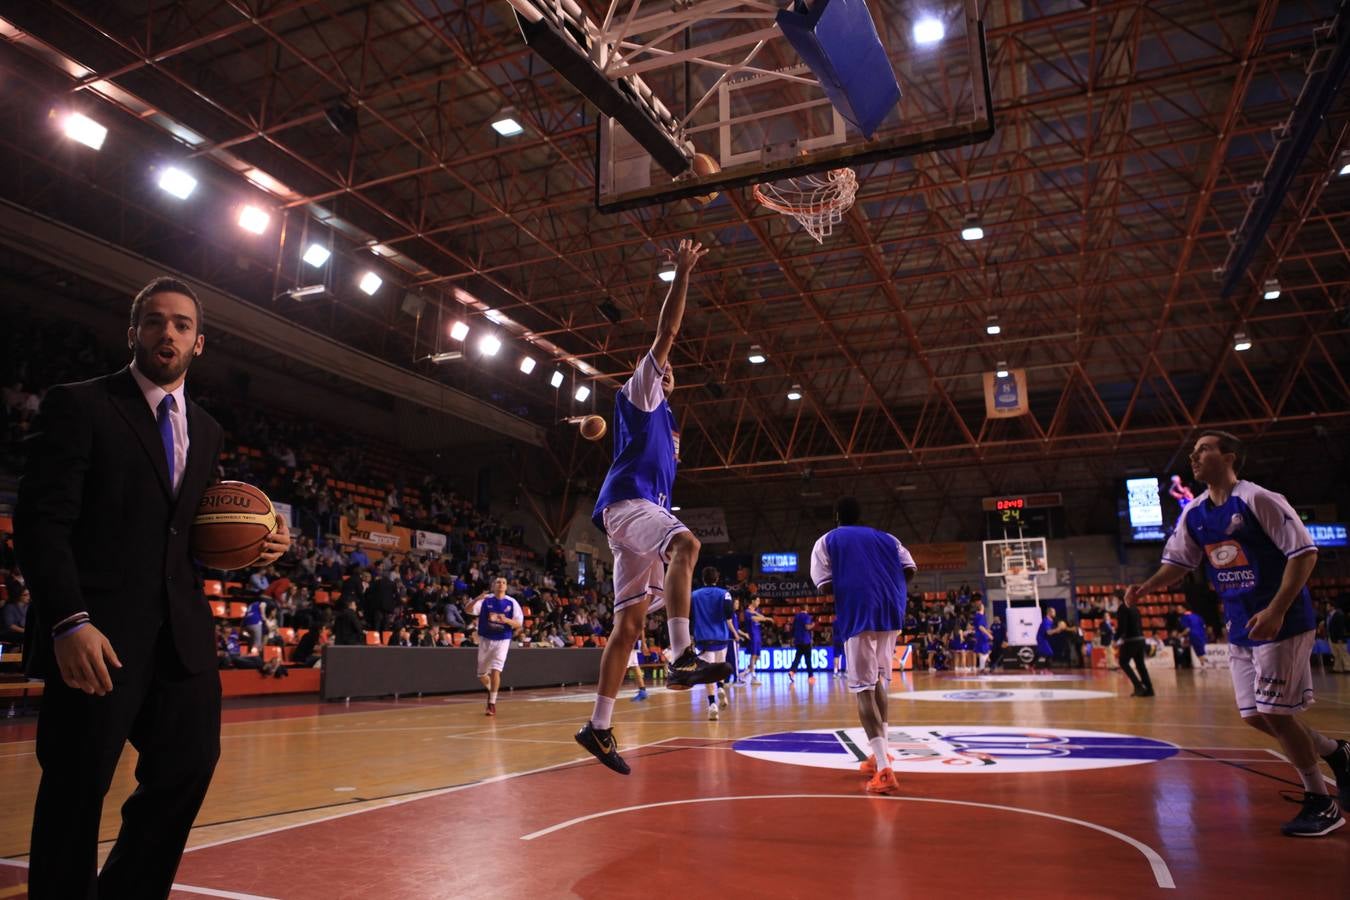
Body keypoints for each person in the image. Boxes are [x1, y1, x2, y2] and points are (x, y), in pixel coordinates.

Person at [14, 276, 291, 897]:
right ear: (133, 331)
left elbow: (185, 535)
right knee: (76, 790)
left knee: (189, 766)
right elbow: (40, 523)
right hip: (97, 636)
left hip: (181, 636)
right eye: (155, 320)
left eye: (182, 324)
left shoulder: (209, 429)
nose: (168, 331)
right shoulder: (80, 404)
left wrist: (260, 545)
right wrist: (67, 622)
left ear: (200, 344)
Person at [1126, 430, 1350, 837]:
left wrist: (1276, 609)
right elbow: (1180, 562)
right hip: (1240, 624)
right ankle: (1337, 752)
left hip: (1281, 620)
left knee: (1275, 713)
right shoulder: (1194, 512)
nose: (1194, 458)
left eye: (1203, 450)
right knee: (1254, 717)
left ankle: (1322, 801)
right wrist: (1147, 587)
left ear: (1229, 456)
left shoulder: (1258, 499)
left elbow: (1304, 553)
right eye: (1193, 453)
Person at [575, 239, 729, 775]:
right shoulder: (641, 394)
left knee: (629, 628)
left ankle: (597, 727)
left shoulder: (667, 429)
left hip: (632, 519)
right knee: (686, 541)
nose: (669, 370)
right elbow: (667, 333)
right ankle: (684, 653)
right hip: (626, 505)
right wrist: (682, 272)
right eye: (664, 368)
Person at [809, 496, 916, 795]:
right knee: (878, 681)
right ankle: (881, 754)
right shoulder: (887, 538)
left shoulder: (827, 540)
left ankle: (883, 769)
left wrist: (856, 579)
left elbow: (824, 585)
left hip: (859, 611)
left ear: (836, 516)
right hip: (893, 609)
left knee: (863, 690)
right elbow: (910, 568)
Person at [467, 577, 523, 716]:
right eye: (498, 582)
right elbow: (468, 610)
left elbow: (518, 624)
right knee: (481, 674)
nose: (501, 584)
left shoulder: (512, 602)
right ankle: (492, 690)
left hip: (503, 639)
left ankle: (492, 703)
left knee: (496, 670)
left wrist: (506, 620)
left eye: (504, 582)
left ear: (506, 586)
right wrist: (476, 599)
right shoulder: (485, 599)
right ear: (493, 586)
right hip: (486, 639)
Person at [690, 567, 736, 721]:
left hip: (702, 638)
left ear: (703, 579)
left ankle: (712, 705)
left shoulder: (694, 595)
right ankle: (721, 687)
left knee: (708, 672)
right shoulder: (725, 593)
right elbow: (729, 613)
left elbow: (689, 616)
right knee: (719, 667)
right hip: (721, 637)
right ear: (717, 578)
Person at [1113, 588, 1153, 697]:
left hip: (1131, 640)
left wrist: (1115, 639)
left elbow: (1122, 628)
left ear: (1118, 598)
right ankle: (1149, 689)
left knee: (1123, 662)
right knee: (1140, 665)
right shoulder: (1135, 607)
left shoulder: (1122, 608)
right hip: (1140, 639)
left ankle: (1138, 686)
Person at [739, 596, 770, 684]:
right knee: (753, 656)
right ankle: (753, 677)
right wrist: (765, 618)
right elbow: (756, 618)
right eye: (757, 601)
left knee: (757, 657)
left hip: (758, 635)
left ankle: (744, 673)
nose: (759, 602)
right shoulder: (747, 612)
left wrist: (756, 613)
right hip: (752, 635)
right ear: (752, 601)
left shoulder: (756, 611)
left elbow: (762, 617)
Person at [787, 606, 816, 683]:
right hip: (806, 640)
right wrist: (813, 625)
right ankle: (811, 676)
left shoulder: (796, 617)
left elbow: (792, 629)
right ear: (807, 608)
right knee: (808, 659)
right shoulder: (806, 616)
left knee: (797, 658)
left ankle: (792, 671)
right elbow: (807, 627)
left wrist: (792, 639)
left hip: (798, 640)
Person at [1178, 603, 1209, 669]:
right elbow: (1204, 626)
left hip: (1194, 636)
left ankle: (1205, 664)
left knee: (1198, 651)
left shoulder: (1184, 617)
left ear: (1184, 609)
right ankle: (1203, 665)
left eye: (1179, 609)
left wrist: (1180, 635)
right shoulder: (1197, 616)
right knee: (1200, 651)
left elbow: (1188, 629)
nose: (1178, 610)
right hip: (1202, 635)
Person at [972, 600, 993, 672]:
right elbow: (981, 627)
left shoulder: (976, 616)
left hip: (978, 635)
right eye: (983, 607)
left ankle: (982, 668)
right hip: (982, 636)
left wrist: (987, 630)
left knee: (982, 652)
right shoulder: (981, 616)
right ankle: (983, 667)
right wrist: (988, 634)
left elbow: (977, 627)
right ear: (981, 608)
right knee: (986, 651)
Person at [1329, 600, 1349, 674]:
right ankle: (1337, 668)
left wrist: (1340, 637)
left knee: (1343, 652)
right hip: (1334, 637)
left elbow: (1341, 627)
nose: (1327, 607)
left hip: (1339, 638)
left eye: (1328, 606)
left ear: (1332, 606)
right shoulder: (1331, 615)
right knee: (1336, 654)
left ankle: (1347, 667)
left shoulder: (1339, 614)